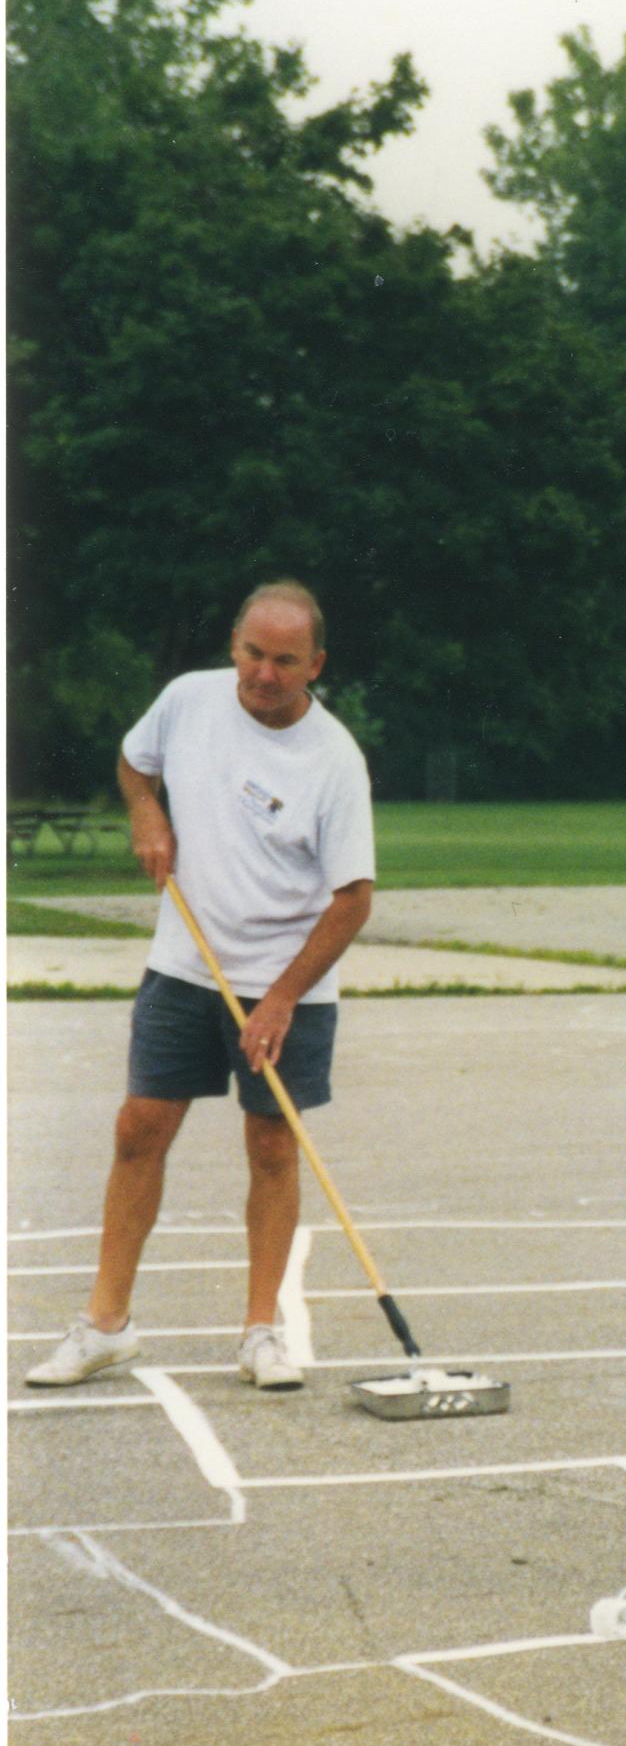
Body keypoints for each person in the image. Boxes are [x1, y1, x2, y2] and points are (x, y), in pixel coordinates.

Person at [27, 583, 375, 1394]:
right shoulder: (187, 701)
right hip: (186, 966)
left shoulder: (334, 760)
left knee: (270, 1145)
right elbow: (133, 763)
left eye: (285, 661)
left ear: (313, 665)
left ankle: (262, 1331)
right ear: (234, 645)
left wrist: (281, 998)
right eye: (253, 653)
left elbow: (352, 900)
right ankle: (106, 1326)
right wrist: (146, 813)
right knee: (139, 1128)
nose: (263, 673)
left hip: (288, 982)